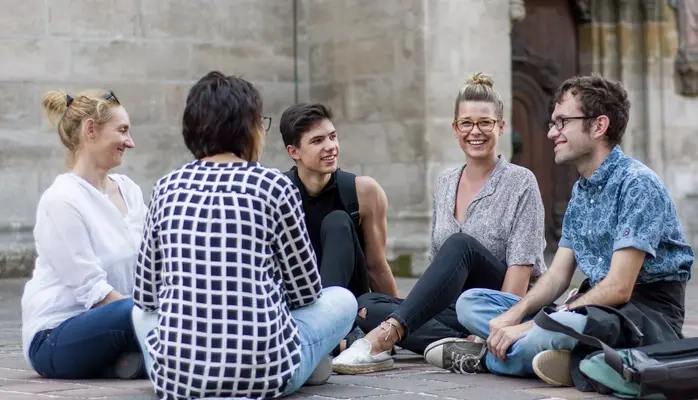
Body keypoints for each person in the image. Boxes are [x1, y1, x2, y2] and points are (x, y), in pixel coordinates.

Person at [426, 74, 694, 388]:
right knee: (470, 304)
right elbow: (556, 277)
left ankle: (485, 357)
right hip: (594, 310)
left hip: (644, 317)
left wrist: (531, 326)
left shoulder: (637, 184)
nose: (553, 132)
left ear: (598, 126)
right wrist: (514, 315)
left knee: (558, 324)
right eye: (554, 123)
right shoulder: (581, 191)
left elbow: (620, 288)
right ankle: (561, 357)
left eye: (562, 121)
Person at [131, 71, 357, 399]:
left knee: (139, 313)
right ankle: (309, 362)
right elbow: (306, 293)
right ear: (248, 127)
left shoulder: (166, 187)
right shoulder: (274, 185)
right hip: (265, 375)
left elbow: (145, 296)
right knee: (342, 299)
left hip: (179, 380)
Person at [331, 72, 548, 374]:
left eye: (485, 122)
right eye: (466, 123)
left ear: (500, 126)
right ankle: (463, 345)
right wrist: (417, 310)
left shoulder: (521, 182)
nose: (476, 131)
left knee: (461, 245)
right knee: (367, 304)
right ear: (455, 129)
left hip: (503, 307)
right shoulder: (446, 182)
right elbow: (439, 270)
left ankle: (385, 338)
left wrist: (498, 323)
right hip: (456, 311)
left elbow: (520, 274)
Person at [21, 89, 146, 379]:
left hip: (123, 320)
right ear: (91, 130)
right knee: (139, 314)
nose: (130, 142)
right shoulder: (62, 200)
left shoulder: (130, 190)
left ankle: (132, 362)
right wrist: (161, 316)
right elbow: (95, 293)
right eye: (123, 130)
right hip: (56, 336)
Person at [278, 103, 400, 353]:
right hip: (300, 307)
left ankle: (333, 337)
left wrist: (398, 319)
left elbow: (376, 267)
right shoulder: (278, 194)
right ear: (294, 151)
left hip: (351, 307)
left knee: (337, 220)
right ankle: (329, 338)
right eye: (317, 140)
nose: (331, 146)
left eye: (333, 136)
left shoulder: (363, 192)